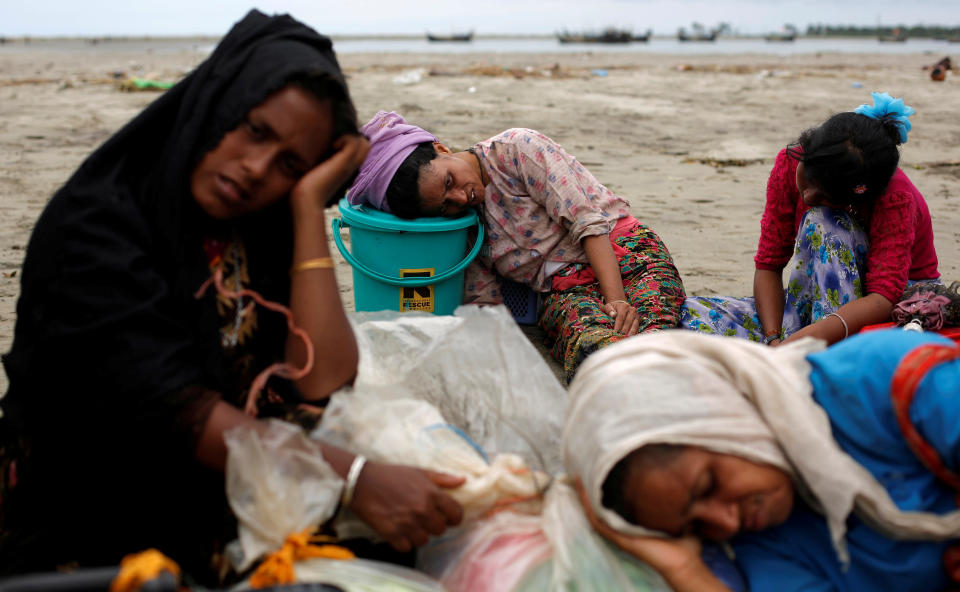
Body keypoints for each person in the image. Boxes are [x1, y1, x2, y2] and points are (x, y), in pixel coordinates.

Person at [0, 11, 463, 583]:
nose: (255, 168)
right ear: (215, 104)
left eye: (289, 163)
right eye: (255, 131)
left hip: (228, 481)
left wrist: (306, 206)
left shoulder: (253, 224)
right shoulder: (96, 230)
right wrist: (353, 476)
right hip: (94, 516)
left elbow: (322, 383)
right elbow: (174, 414)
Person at [565, 329, 960, 591]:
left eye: (709, 484)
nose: (727, 521)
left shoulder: (878, 382)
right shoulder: (766, 542)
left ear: (720, 410)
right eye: (696, 527)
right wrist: (684, 570)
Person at [346, 111, 685, 379]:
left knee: (654, 338)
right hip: (565, 290)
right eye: (444, 205)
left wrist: (616, 300)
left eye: (449, 181)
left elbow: (589, 224)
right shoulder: (463, 226)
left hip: (625, 256)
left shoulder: (518, 150)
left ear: (441, 149)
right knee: (593, 350)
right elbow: (485, 304)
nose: (460, 197)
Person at [682, 92, 940, 347]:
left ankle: (819, 350)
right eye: (809, 180)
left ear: (859, 194)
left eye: (828, 196)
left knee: (824, 222)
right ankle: (797, 344)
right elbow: (769, 264)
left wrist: (799, 342)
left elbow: (882, 297)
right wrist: (775, 338)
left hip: (887, 308)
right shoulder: (789, 162)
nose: (808, 196)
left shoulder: (896, 199)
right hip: (814, 299)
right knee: (687, 313)